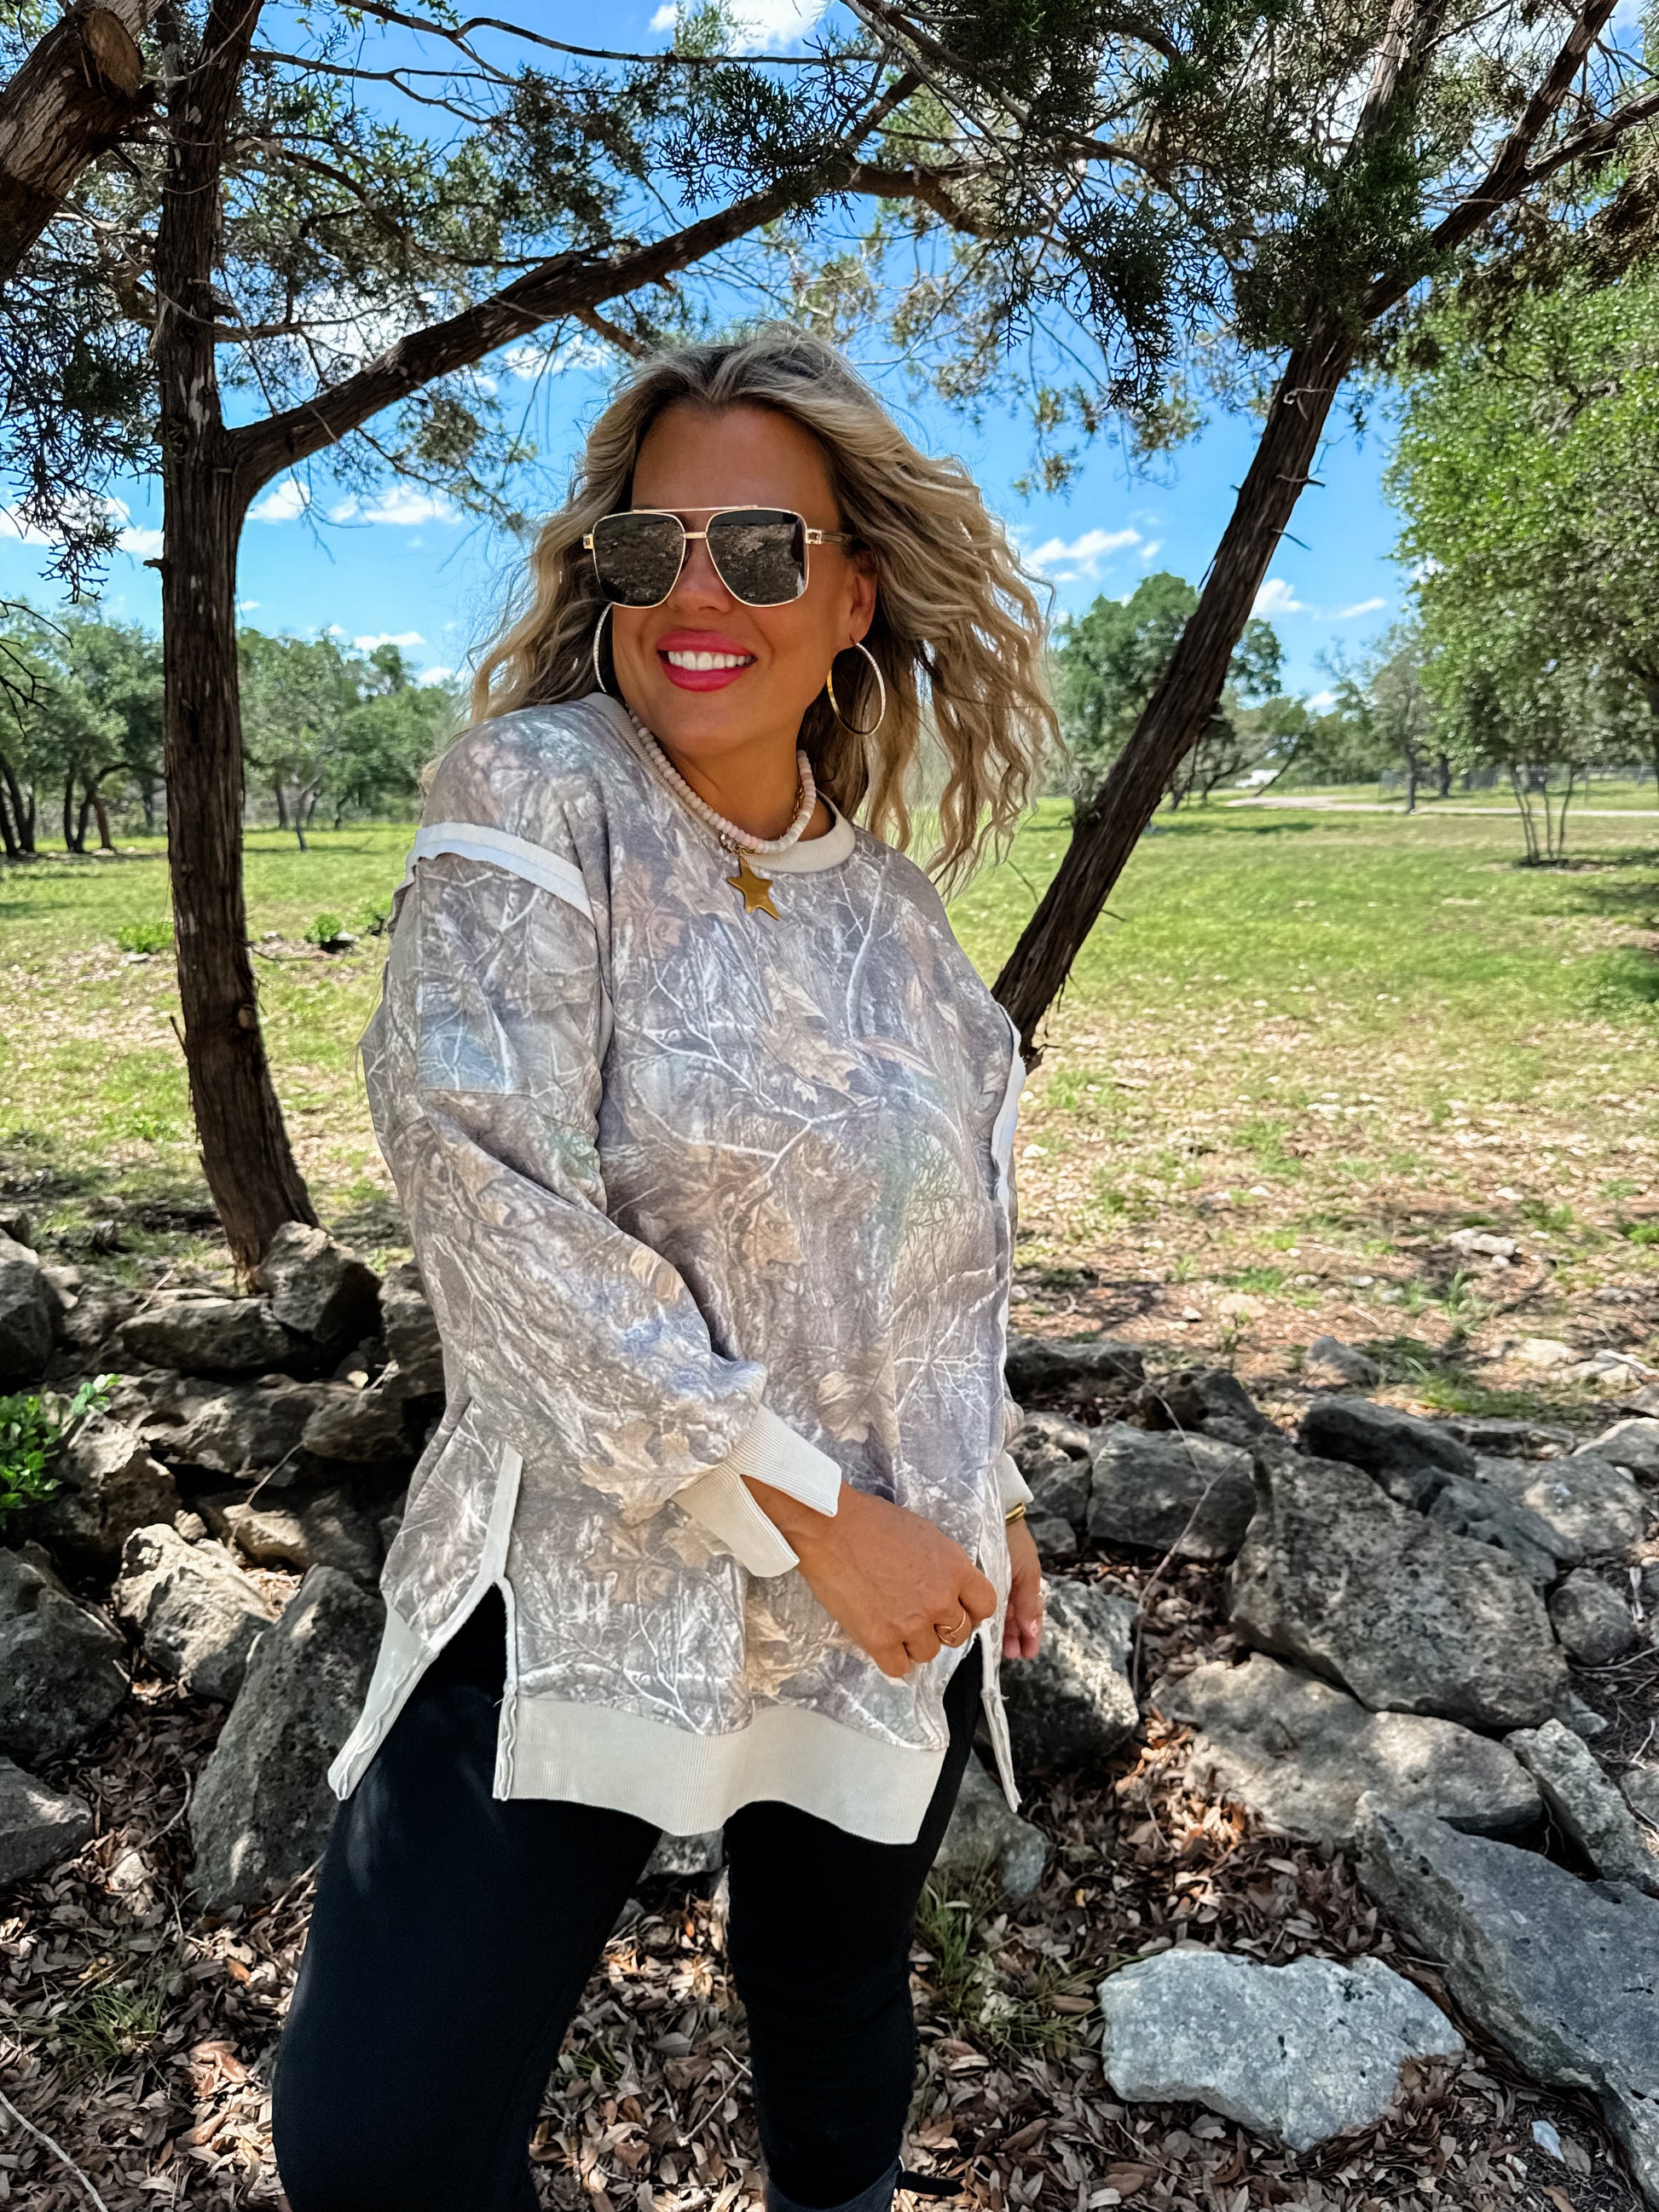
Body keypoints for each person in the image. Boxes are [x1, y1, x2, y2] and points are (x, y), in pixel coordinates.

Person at [271, 324, 1057, 2212]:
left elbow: (944, 1251)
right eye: (651, 545)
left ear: (853, 595)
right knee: (378, 2139)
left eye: (764, 547)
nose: (699, 591)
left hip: (886, 1573)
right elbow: (485, 1198)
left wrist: (998, 1491)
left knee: (829, 1998)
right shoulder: (533, 796)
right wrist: (811, 1510)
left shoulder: (900, 920)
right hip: (589, 1569)